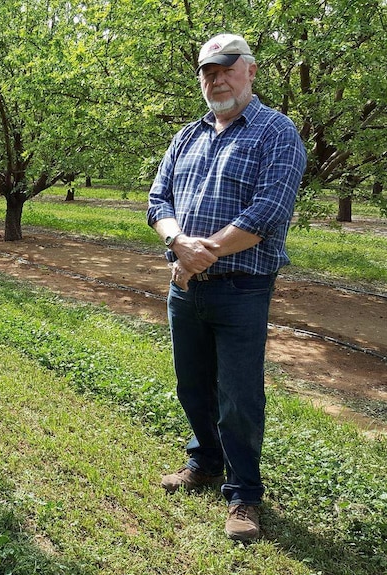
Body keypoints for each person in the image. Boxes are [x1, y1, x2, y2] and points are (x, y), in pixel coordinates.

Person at [146, 33, 306, 541]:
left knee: (238, 396)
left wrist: (196, 254)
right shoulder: (186, 137)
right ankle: (205, 464)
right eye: (207, 71)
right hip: (186, 287)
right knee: (192, 386)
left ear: (250, 71)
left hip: (242, 288)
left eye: (225, 68)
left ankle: (244, 496)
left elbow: (268, 213)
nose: (215, 78)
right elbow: (158, 201)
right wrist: (176, 242)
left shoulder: (276, 132)